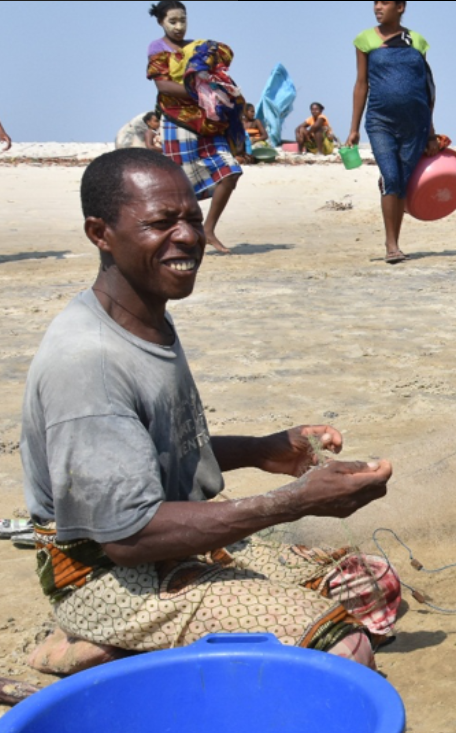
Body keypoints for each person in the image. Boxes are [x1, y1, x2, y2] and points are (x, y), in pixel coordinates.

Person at [19, 149, 400, 676]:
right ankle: (96, 643)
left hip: (166, 544)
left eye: (193, 220)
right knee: (343, 650)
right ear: (100, 233)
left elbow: (150, 454)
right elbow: (127, 537)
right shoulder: (89, 364)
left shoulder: (143, 316)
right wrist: (292, 502)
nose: (187, 237)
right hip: (106, 577)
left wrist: (266, 451)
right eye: (160, 223)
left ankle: (150, 646)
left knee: (368, 583)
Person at [147, 0, 247, 255]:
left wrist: (218, 92)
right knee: (179, 187)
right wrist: (203, 93)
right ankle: (175, 235)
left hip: (208, 121)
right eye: (172, 21)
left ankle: (208, 229)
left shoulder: (198, 48)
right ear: (161, 22)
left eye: (182, 20)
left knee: (230, 171)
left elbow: (217, 72)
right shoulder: (158, 48)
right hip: (177, 120)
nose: (178, 26)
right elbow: (163, 85)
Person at [348, 0, 439, 265]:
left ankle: (395, 241)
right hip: (380, 122)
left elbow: (427, 88)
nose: (378, 7)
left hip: (416, 124)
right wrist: (353, 128)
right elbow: (361, 84)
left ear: (400, 7)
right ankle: (391, 245)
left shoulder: (417, 41)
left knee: (402, 182)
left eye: (384, 2)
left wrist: (431, 132)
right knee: (390, 177)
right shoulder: (365, 40)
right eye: (375, 3)